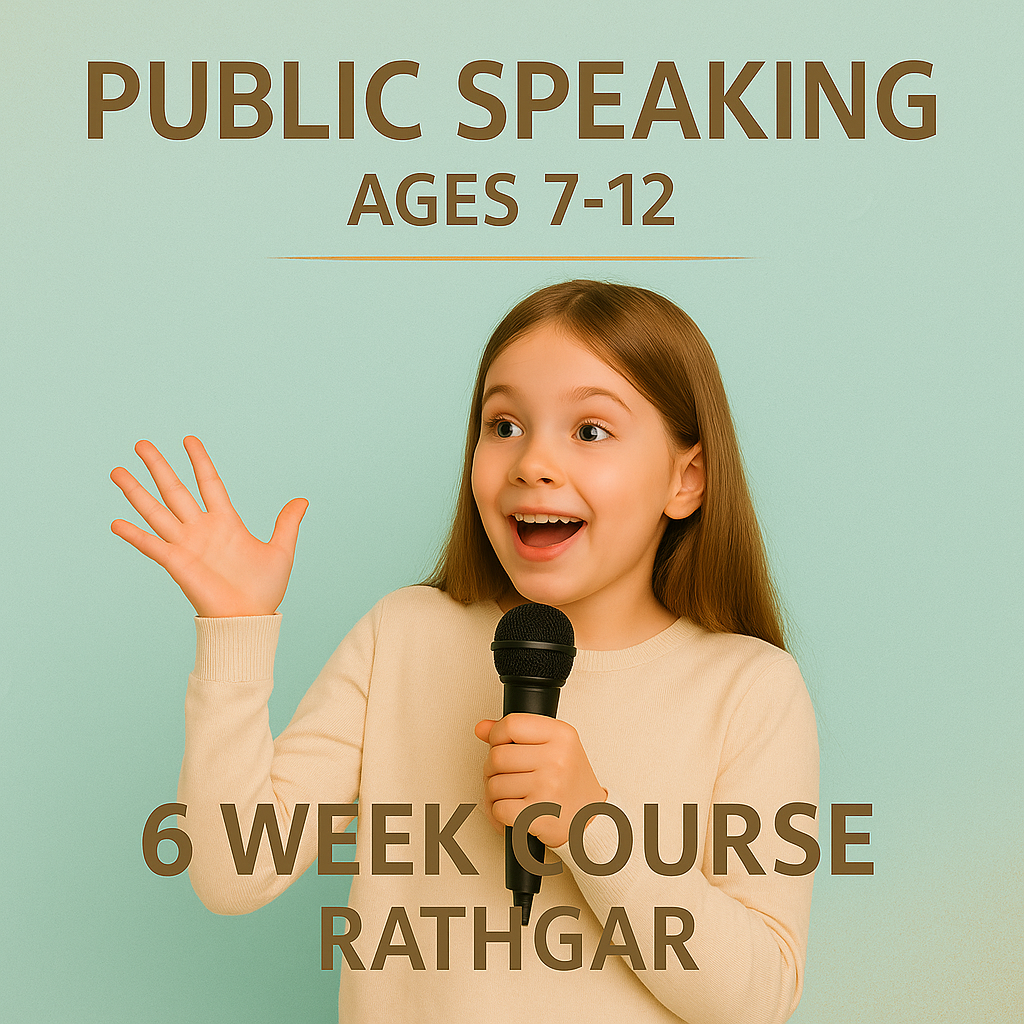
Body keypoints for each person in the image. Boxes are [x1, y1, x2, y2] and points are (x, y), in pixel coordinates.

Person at [110, 280, 818, 1024]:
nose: (532, 462)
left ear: (686, 478)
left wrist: (589, 825)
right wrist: (236, 630)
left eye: (590, 431)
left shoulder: (750, 690)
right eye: (505, 424)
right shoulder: (405, 636)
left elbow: (758, 998)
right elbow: (233, 873)